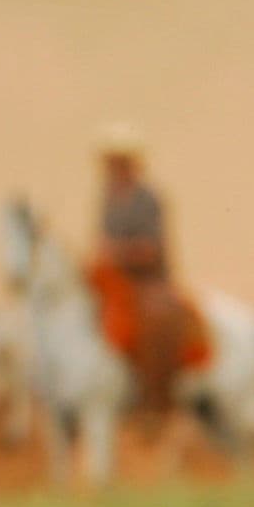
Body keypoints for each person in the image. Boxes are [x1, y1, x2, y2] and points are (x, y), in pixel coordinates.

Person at [88, 125, 205, 411]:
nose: (115, 168)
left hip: (150, 280)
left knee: (156, 316)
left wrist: (118, 253)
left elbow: (152, 249)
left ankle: (157, 396)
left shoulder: (148, 199)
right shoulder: (107, 198)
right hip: (114, 280)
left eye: (120, 162)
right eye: (111, 162)